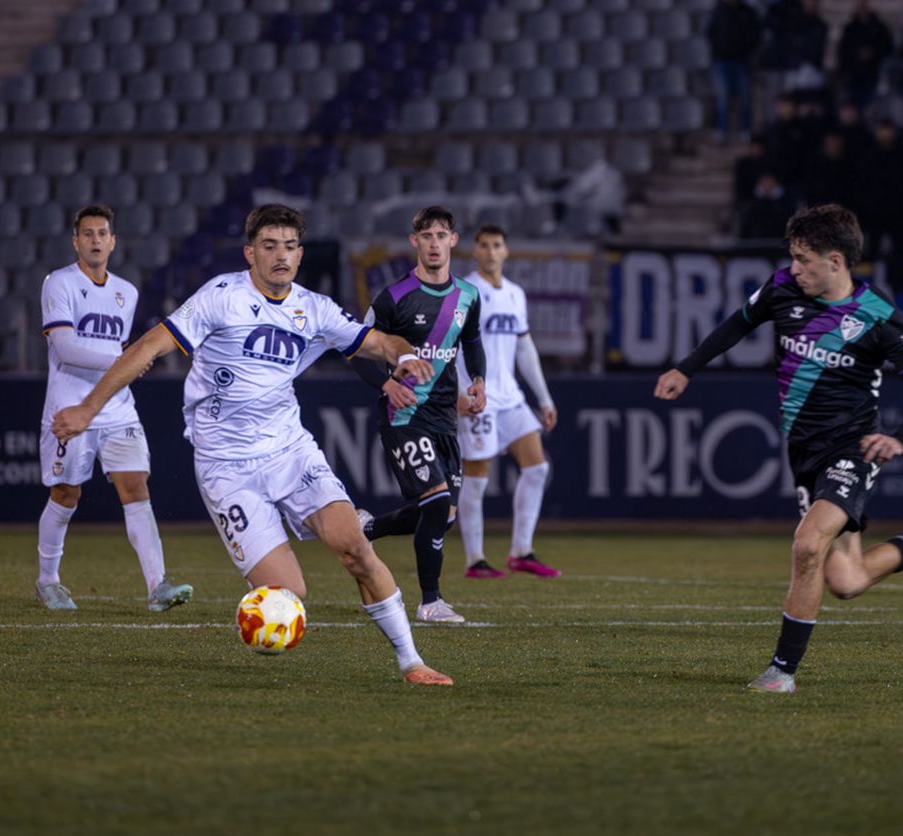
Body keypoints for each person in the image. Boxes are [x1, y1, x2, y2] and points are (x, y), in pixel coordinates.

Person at [52, 204, 454, 686]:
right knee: (289, 594)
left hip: (289, 451)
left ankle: (412, 663)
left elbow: (378, 343)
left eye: (288, 246)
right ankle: (263, 614)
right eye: (269, 246)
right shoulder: (221, 298)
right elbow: (144, 349)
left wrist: (405, 355)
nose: (280, 255)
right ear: (250, 253)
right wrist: (87, 409)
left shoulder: (314, 308)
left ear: (300, 255)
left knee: (355, 550)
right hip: (226, 467)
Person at [654, 205, 903, 694]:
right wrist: (686, 368)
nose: (794, 268)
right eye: (792, 257)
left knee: (808, 546)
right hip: (803, 451)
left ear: (835, 261)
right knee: (845, 580)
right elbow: (736, 324)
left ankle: (781, 672)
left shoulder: (881, 319)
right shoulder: (782, 289)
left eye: (804, 259)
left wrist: (898, 438)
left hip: (851, 449)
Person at [35, 205, 193, 614]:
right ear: (76, 242)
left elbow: (116, 350)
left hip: (118, 406)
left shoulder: (127, 291)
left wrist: (124, 362)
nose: (95, 240)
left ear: (113, 241)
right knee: (66, 494)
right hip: (70, 407)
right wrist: (125, 362)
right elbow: (66, 349)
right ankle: (48, 580)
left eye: (102, 233)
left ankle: (158, 585)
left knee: (136, 487)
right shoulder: (59, 284)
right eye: (87, 234)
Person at [351, 207, 487, 624]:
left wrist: (478, 380)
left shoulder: (468, 296)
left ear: (453, 240)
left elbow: (472, 340)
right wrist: (386, 384)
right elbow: (358, 348)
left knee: (443, 516)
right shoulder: (393, 298)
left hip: (446, 416)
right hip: (403, 414)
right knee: (438, 501)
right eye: (425, 235)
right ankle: (430, 602)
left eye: (441, 235)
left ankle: (366, 531)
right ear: (414, 241)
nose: (433, 243)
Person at [452, 225, 559, 579]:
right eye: (483, 246)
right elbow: (450, 346)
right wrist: (459, 392)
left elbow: (525, 349)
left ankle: (521, 551)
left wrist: (542, 398)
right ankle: (475, 559)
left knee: (537, 467)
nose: (490, 252)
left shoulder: (515, 294)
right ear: (475, 251)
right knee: (478, 477)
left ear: (506, 251)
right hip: (478, 398)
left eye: (496, 245)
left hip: (511, 397)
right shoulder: (465, 292)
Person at [705, 0, 761, 144]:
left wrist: (746, 50)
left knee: (745, 98)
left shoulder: (746, 11)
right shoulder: (718, 11)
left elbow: (755, 34)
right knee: (723, 99)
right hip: (722, 61)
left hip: (741, 61)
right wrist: (719, 51)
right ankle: (722, 130)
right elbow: (710, 34)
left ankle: (746, 130)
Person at [836, 0, 894, 109]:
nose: (862, 8)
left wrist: (872, 53)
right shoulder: (849, 28)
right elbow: (843, 51)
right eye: (860, 5)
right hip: (853, 76)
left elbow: (888, 48)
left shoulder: (880, 27)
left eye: (864, 5)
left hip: (873, 74)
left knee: (870, 108)